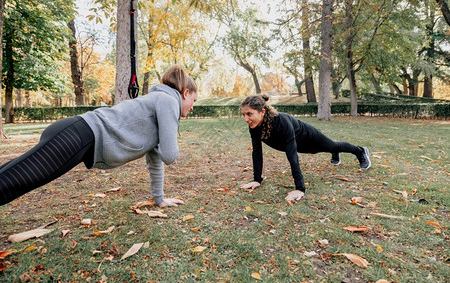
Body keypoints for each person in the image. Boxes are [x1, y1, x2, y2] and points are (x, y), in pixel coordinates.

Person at [0, 65, 198, 208]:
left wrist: (160, 199)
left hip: (77, 136)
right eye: (193, 100)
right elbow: (170, 155)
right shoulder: (168, 101)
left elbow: (156, 161)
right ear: (185, 93)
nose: (192, 107)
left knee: (10, 176)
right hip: (77, 136)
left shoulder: (159, 103)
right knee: (13, 182)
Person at [240, 94, 371, 203]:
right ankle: (334, 152)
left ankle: (360, 150)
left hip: (308, 136)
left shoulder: (281, 121)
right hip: (297, 144)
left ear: (262, 112)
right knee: (318, 150)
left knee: (332, 146)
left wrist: (300, 188)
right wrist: (257, 180)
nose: (246, 119)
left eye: (249, 114)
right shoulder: (254, 126)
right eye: (244, 114)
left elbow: (292, 155)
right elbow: (257, 152)